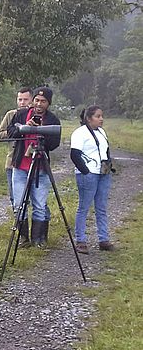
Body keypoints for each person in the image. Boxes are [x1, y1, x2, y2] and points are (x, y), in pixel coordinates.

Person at [7, 86, 61, 247]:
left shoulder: (53, 120)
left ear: (48, 103)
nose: (39, 104)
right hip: (20, 166)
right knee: (19, 203)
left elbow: (54, 144)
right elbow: (10, 133)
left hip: (41, 168)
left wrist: (41, 131)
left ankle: (39, 239)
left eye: (43, 101)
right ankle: (24, 238)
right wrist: (25, 128)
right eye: (37, 100)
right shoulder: (21, 114)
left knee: (39, 204)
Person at [70, 106, 115, 254]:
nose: (101, 119)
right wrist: (86, 171)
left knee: (101, 207)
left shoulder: (102, 132)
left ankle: (103, 239)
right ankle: (81, 240)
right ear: (88, 118)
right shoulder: (79, 133)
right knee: (84, 207)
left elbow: (105, 150)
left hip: (103, 173)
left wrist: (108, 166)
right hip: (88, 174)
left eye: (102, 116)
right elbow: (74, 155)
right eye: (97, 116)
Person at [0, 87, 34, 245]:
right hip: (12, 163)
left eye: (25, 99)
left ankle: (39, 236)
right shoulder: (11, 115)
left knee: (37, 200)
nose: (22, 102)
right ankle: (24, 236)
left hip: (33, 163)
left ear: (31, 100)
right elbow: (0, 135)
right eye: (19, 99)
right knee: (16, 200)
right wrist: (18, 131)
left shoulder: (37, 115)